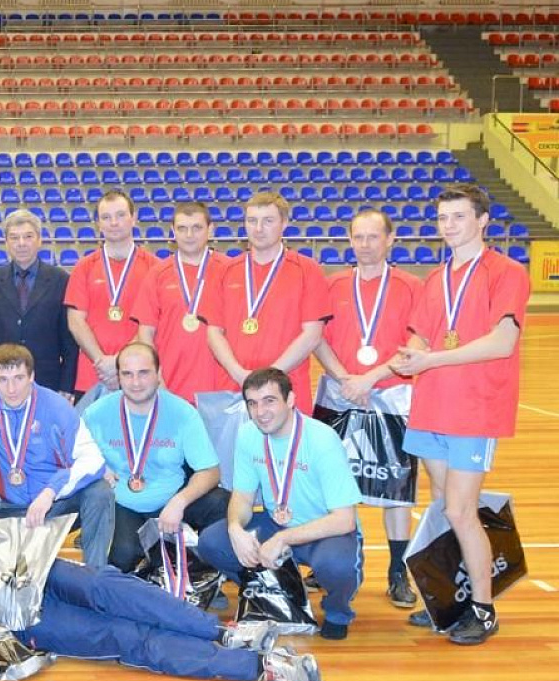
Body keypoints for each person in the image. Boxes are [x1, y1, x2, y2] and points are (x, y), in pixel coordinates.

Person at [0, 452, 321, 681]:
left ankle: (224, 632)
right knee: (122, 636)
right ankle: (259, 667)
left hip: (21, 569)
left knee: (108, 585)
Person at [391, 184, 529, 645]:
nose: (448, 226)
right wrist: (409, 357)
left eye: (458, 217)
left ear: (482, 220)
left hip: (475, 410)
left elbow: (502, 342)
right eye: (443, 218)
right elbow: (420, 336)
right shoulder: (435, 278)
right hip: (431, 406)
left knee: (460, 509)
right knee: (442, 507)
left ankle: (484, 610)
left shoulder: (506, 272)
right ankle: (450, 601)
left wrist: (430, 359)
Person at [196, 368, 363, 641]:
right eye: (252, 403)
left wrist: (283, 539)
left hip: (323, 530)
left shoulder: (322, 439)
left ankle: (337, 612)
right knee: (213, 541)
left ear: (291, 400)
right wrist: (235, 528)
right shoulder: (248, 435)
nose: (260, 412)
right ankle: (276, 592)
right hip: (275, 522)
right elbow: (243, 497)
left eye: (269, 401)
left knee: (337, 566)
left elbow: (344, 520)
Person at [312, 210, 423, 609]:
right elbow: (316, 337)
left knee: (396, 488)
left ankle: (397, 570)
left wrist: (370, 379)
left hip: (391, 396)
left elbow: (418, 344)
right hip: (338, 394)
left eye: (373, 237)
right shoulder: (333, 284)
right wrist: (346, 379)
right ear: (349, 240)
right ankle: (324, 563)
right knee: (330, 486)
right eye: (358, 237)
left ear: (390, 239)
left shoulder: (411, 286)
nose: (365, 245)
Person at [0, 343, 112, 567]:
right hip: (10, 510)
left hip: (55, 505)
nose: (11, 389)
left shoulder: (56, 407)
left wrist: (50, 492)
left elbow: (93, 458)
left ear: (32, 376)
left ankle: (95, 572)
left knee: (100, 490)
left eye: (19, 378)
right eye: (2, 380)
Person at [82, 343, 228, 573]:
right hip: (122, 504)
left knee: (223, 503)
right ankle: (154, 562)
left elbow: (210, 471)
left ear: (159, 373)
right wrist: (96, 468)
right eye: (127, 374)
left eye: (143, 373)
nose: (136, 382)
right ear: (118, 377)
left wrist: (179, 502)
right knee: (122, 555)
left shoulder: (183, 413)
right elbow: (73, 460)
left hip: (170, 499)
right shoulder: (96, 414)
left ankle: (200, 571)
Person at [202, 193, 329, 413]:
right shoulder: (225, 271)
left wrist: (268, 378)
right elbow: (213, 333)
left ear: (284, 223)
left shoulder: (307, 270)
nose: (258, 228)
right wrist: (240, 374)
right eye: (252, 221)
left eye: (268, 221)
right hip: (234, 387)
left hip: (286, 387)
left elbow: (312, 335)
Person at [133, 201, 231, 404]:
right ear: (173, 231)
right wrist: (157, 379)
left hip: (221, 387)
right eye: (182, 228)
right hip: (170, 385)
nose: (189, 235)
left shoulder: (230, 270)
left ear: (210, 229)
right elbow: (145, 333)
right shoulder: (157, 273)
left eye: (197, 228)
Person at [65, 191, 159, 397]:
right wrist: (103, 362)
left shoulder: (155, 268)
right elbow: (75, 322)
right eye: (106, 217)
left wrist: (119, 362)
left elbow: (153, 324)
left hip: (138, 375)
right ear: (98, 224)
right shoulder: (84, 267)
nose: (114, 223)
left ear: (134, 218)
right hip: (93, 374)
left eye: (120, 215)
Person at [0, 210, 78, 397]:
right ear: (6, 242)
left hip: (48, 382)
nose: (21, 243)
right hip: (1, 381)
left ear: (40, 240)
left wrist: (66, 386)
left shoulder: (62, 281)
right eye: (14, 238)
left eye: (28, 236)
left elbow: (69, 341)